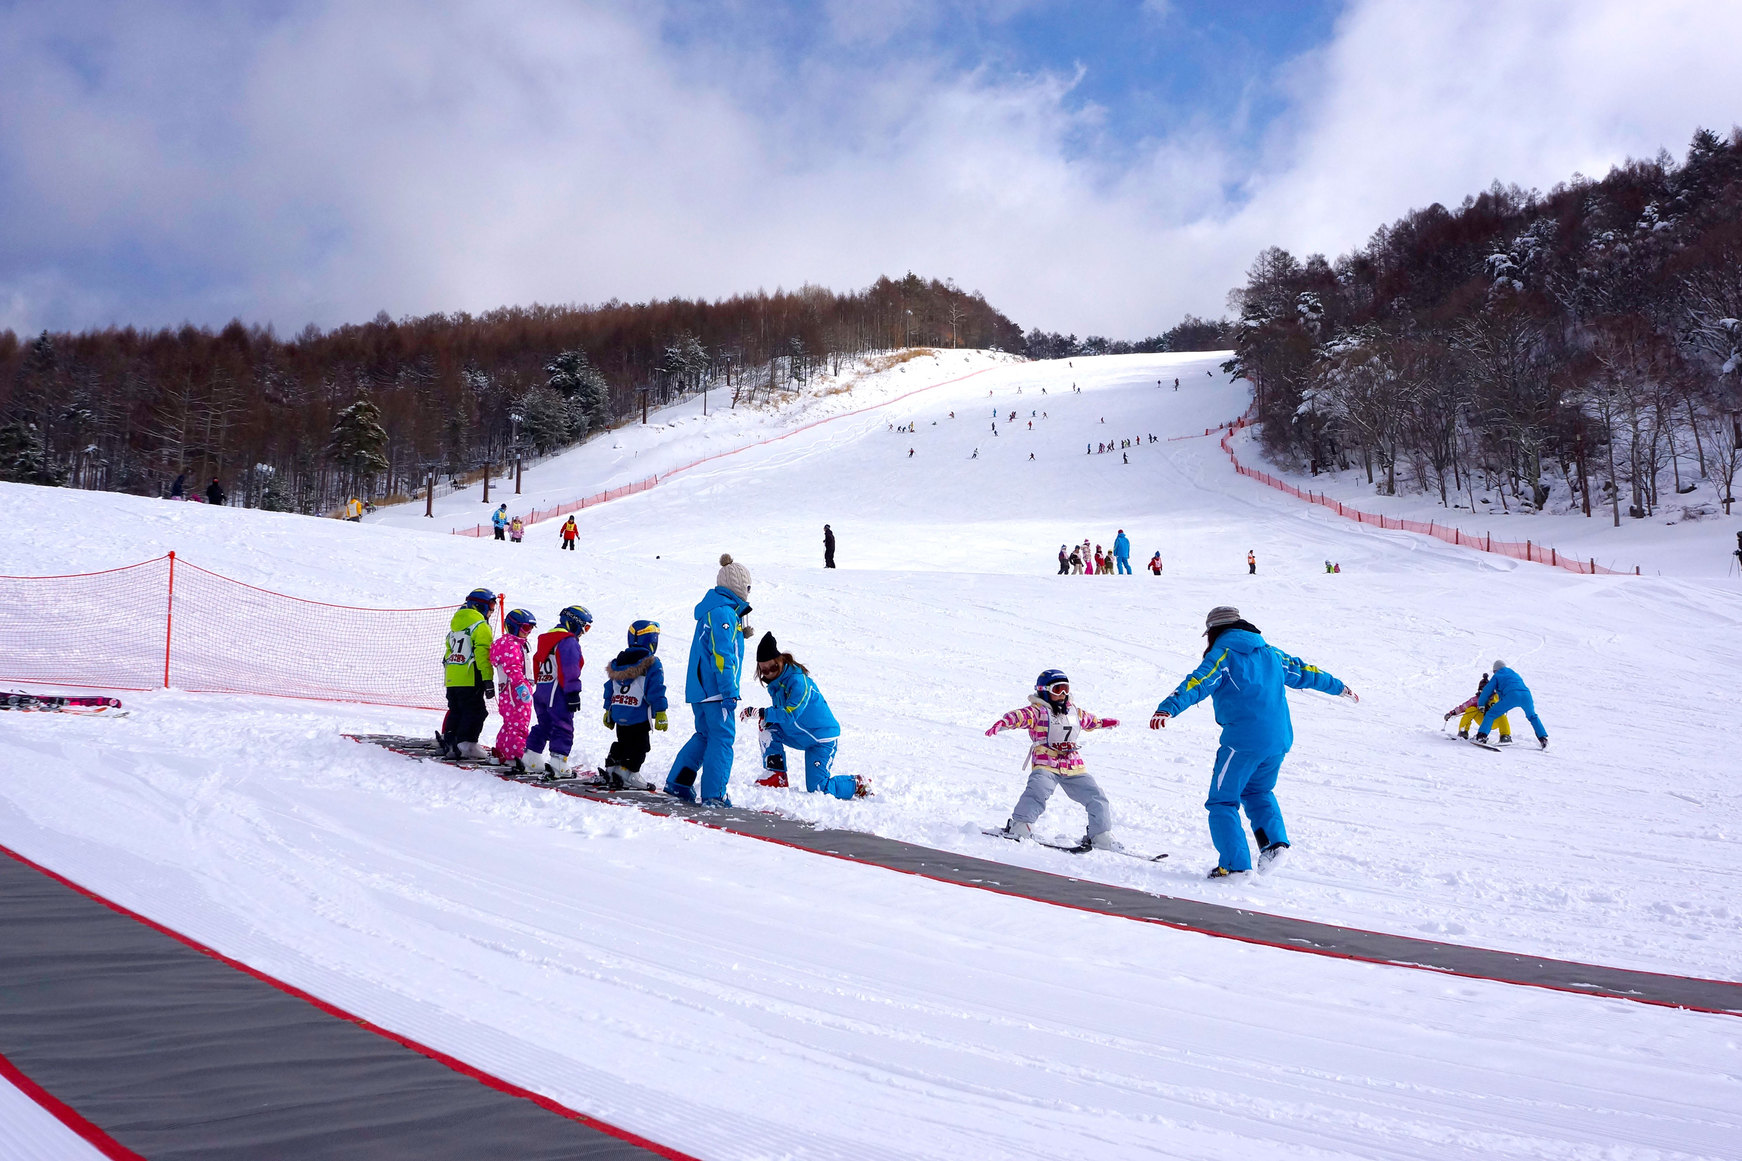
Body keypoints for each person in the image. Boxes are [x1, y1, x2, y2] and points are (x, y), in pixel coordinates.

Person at [1150, 606, 1357, 878]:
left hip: (1243, 743)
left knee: (1222, 802)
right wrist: (1339, 686)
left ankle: (1235, 867)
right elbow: (1305, 671)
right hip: (1279, 738)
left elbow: (1198, 682)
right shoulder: (1271, 653)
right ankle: (1274, 844)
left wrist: (1169, 707)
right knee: (1257, 791)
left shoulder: (1222, 655)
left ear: (1213, 632)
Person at [987, 670, 1120, 849]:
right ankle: (1020, 826)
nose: (1063, 695)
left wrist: (1102, 723)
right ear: (1044, 691)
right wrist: (1004, 723)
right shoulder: (1038, 711)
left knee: (1096, 796)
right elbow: (1020, 716)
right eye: (1058, 690)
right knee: (1038, 791)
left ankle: (1101, 835)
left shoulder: (1074, 711)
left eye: (1066, 689)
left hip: (1073, 765)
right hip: (1046, 762)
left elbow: (1089, 721)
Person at [664, 554, 752, 805]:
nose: (748, 593)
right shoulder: (723, 612)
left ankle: (678, 782)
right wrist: (729, 689)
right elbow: (722, 654)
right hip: (715, 690)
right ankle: (715, 794)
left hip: (701, 689)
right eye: (747, 588)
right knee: (722, 737)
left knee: (705, 734)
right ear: (738, 586)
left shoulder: (715, 610)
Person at [744, 632, 862, 800]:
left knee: (819, 789)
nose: (769, 673)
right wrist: (762, 715)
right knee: (767, 724)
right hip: (800, 734)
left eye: (773, 667)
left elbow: (791, 713)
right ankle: (776, 775)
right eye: (764, 670)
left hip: (821, 738)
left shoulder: (798, 682)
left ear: (780, 661)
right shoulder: (777, 685)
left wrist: (762, 712)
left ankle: (856, 784)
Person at [598, 619, 668, 790]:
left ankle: (614, 767)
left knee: (623, 741)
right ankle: (631, 773)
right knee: (640, 745)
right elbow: (656, 690)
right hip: (638, 714)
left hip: (620, 711)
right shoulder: (652, 663)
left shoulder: (618, 662)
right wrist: (661, 712)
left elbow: (610, 688)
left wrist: (608, 709)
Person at [526, 605, 592, 778]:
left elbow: (536, 662)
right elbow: (570, 668)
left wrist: (541, 683)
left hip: (542, 690)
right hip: (559, 692)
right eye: (584, 628)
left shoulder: (546, 640)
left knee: (545, 725)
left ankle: (531, 756)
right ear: (574, 623)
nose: (582, 633)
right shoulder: (567, 641)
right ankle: (558, 762)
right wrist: (573, 692)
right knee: (564, 725)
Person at [437, 588, 497, 760]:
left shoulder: (456, 625)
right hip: (471, 675)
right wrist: (487, 679)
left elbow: (448, 650)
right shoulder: (480, 625)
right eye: (491, 605)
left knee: (456, 709)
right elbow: (482, 654)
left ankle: (450, 740)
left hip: (453, 676)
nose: (492, 611)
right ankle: (466, 743)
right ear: (479, 606)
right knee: (476, 711)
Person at [490, 609, 537, 772]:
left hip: (509, 692)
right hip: (515, 693)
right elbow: (513, 668)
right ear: (513, 626)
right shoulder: (511, 644)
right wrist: (521, 687)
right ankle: (517, 756)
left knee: (510, 724)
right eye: (526, 627)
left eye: (531, 628)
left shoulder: (512, 643)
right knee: (519, 725)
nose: (529, 632)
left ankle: (502, 751)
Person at [1474, 661, 1548, 748]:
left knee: (1491, 714)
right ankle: (1543, 739)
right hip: (1526, 695)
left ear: (1496, 670)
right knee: (1532, 716)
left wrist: (1481, 704)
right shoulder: (1514, 674)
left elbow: (1487, 690)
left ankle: (1481, 737)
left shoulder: (1497, 675)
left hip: (1511, 696)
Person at [1444, 672, 1511, 741]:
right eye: (1482, 691)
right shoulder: (1475, 700)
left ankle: (1505, 736)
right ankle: (1463, 731)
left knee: (1501, 715)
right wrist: (1451, 713)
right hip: (1482, 720)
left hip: (1494, 721)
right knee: (1471, 709)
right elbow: (1462, 707)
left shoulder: (1496, 697)